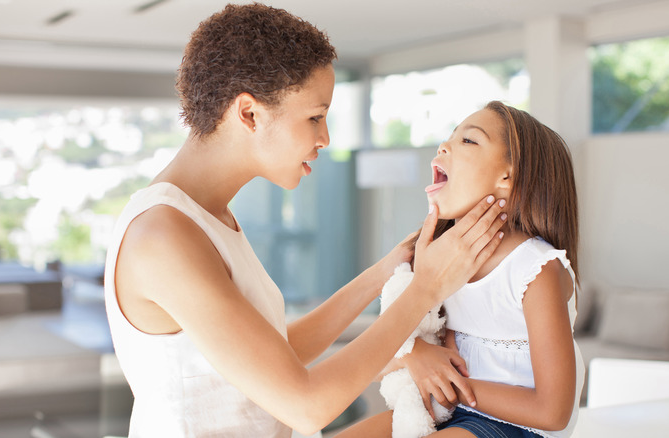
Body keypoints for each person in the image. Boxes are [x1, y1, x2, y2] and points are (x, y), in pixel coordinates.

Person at [103, 4, 507, 437]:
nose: (325, 138)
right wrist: (426, 286)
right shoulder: (164, 236)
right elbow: (307, 405)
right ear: (249, 114)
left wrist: (384, 273)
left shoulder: (206, 219)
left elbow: (277, 354)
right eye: (315, 116)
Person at [335, 101, 585, 438]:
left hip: (518, 429)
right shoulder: (441, 261)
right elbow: (380, 360)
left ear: (507, 177)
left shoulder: (535, 270)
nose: (443, 146)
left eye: (469, 140)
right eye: (449, 138)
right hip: (451, 415)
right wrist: (418, 355)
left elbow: (553, 412)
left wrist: (452, 384)